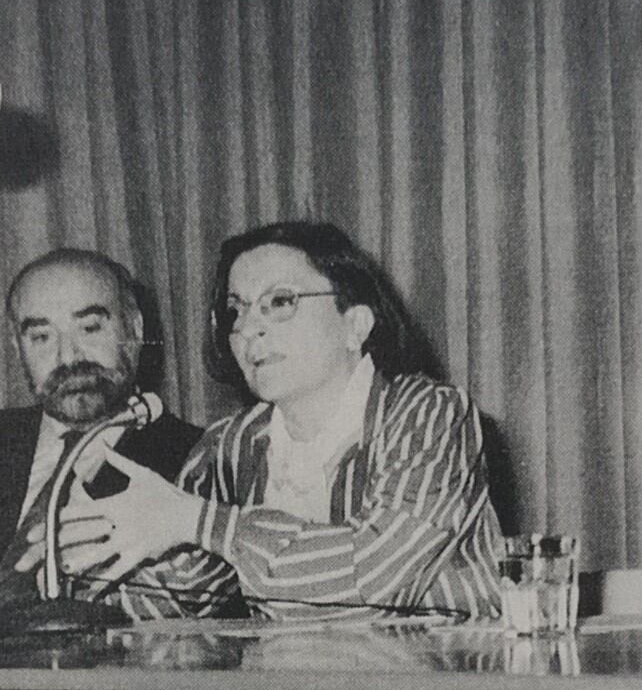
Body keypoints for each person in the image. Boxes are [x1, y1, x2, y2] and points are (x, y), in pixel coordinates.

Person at [37, 222, 503, 621]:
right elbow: (189, 593)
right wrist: (86, 580)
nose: (248, 328)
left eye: (279, 302)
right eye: (236, 309)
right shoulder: (231, 444)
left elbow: (371, 583)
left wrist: (200, 521)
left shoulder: (431, 414)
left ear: (355, 325)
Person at [1, 250, 201, 600]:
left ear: (135, 329)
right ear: (17, 348)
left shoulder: (199, 458)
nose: (68, 357)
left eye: (89, 328)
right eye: (41, 337)